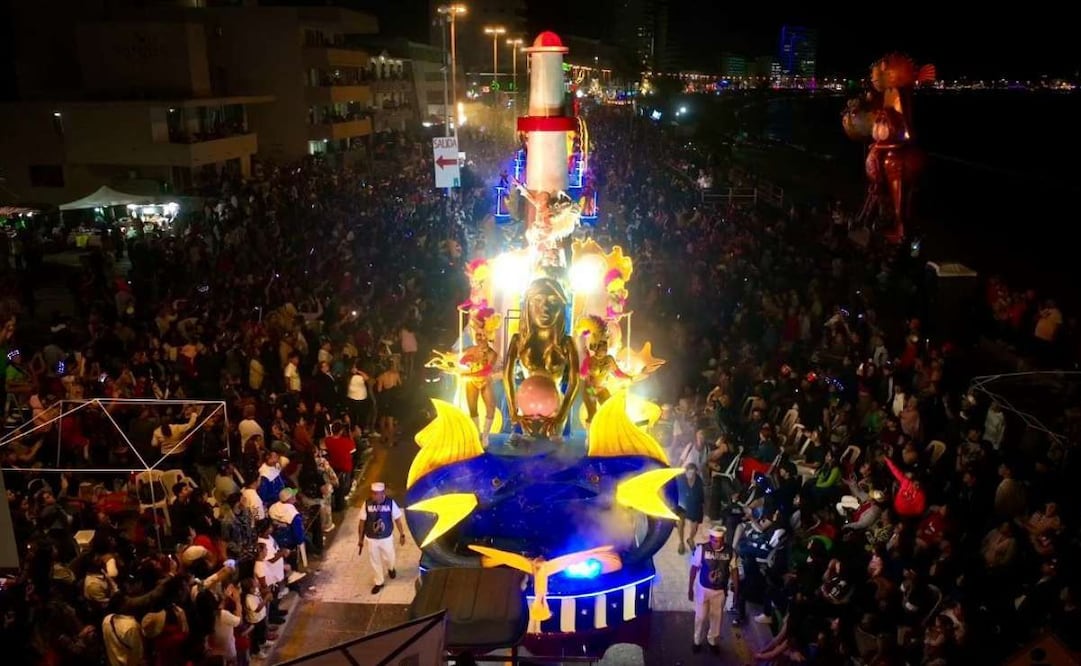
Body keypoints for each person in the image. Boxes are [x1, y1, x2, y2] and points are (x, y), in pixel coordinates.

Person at [688, 525, 737, 655]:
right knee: (700, 616)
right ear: (710, 538)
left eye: (720, 540)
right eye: (715, 540)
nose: (718, 543)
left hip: (720, 591)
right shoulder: (702, 549)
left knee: (717, 617)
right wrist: (690, 588)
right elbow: (694, 568)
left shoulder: (730, 551)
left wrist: (736, 590)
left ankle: (713, 642)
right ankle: (697, 640)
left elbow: (734, 570)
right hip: (703, 589)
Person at [358, 482, 407, 594]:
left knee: (390, 557)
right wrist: (360, 538)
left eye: (376, 494)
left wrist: (402, 534)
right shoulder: (367, 504)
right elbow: (362, 522)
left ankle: (391, 568)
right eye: (373, 493)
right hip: (371, 538)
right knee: (375, 560)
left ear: (382, 493)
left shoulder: (390, 503)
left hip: (386, 537)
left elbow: (397, 519)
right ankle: (379, 582)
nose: (374, 496)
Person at [676, 462, 705, 555]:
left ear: (695, 472)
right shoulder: (680, 479)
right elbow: (676, 493)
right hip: (682, 503)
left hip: (694, 503)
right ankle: (681, 542)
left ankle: (691, 539)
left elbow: (701, 496)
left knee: (695, 524)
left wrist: (701, 506)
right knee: (680, 522)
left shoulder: (699, 481)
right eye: (688, 472)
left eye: (692, 473)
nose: (690, 475)